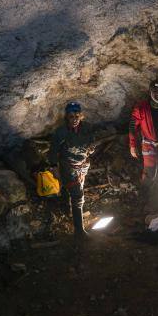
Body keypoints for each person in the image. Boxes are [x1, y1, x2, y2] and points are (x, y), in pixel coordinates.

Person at [48, 101, 96, 239]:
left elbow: (91, 142)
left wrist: (91, 148)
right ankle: (79, 231)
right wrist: (54, 167)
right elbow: (52, 152)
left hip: (82, 167)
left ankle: (71, 210)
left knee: (76, 192)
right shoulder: (61, 132)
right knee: (78, 196)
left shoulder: (87, 128)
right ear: (66, 117)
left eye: (77, 116)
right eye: (71, 116)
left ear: (81, 116)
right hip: (68, 168)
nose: (74, 119)